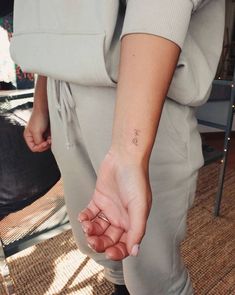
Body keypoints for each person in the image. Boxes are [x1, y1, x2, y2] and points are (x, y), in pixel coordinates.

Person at [11, 0, 225, 294]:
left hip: (137, 89)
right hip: (62, 89)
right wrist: (42, 100)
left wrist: (129, 153)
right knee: (104, 241)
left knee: (152, 270)